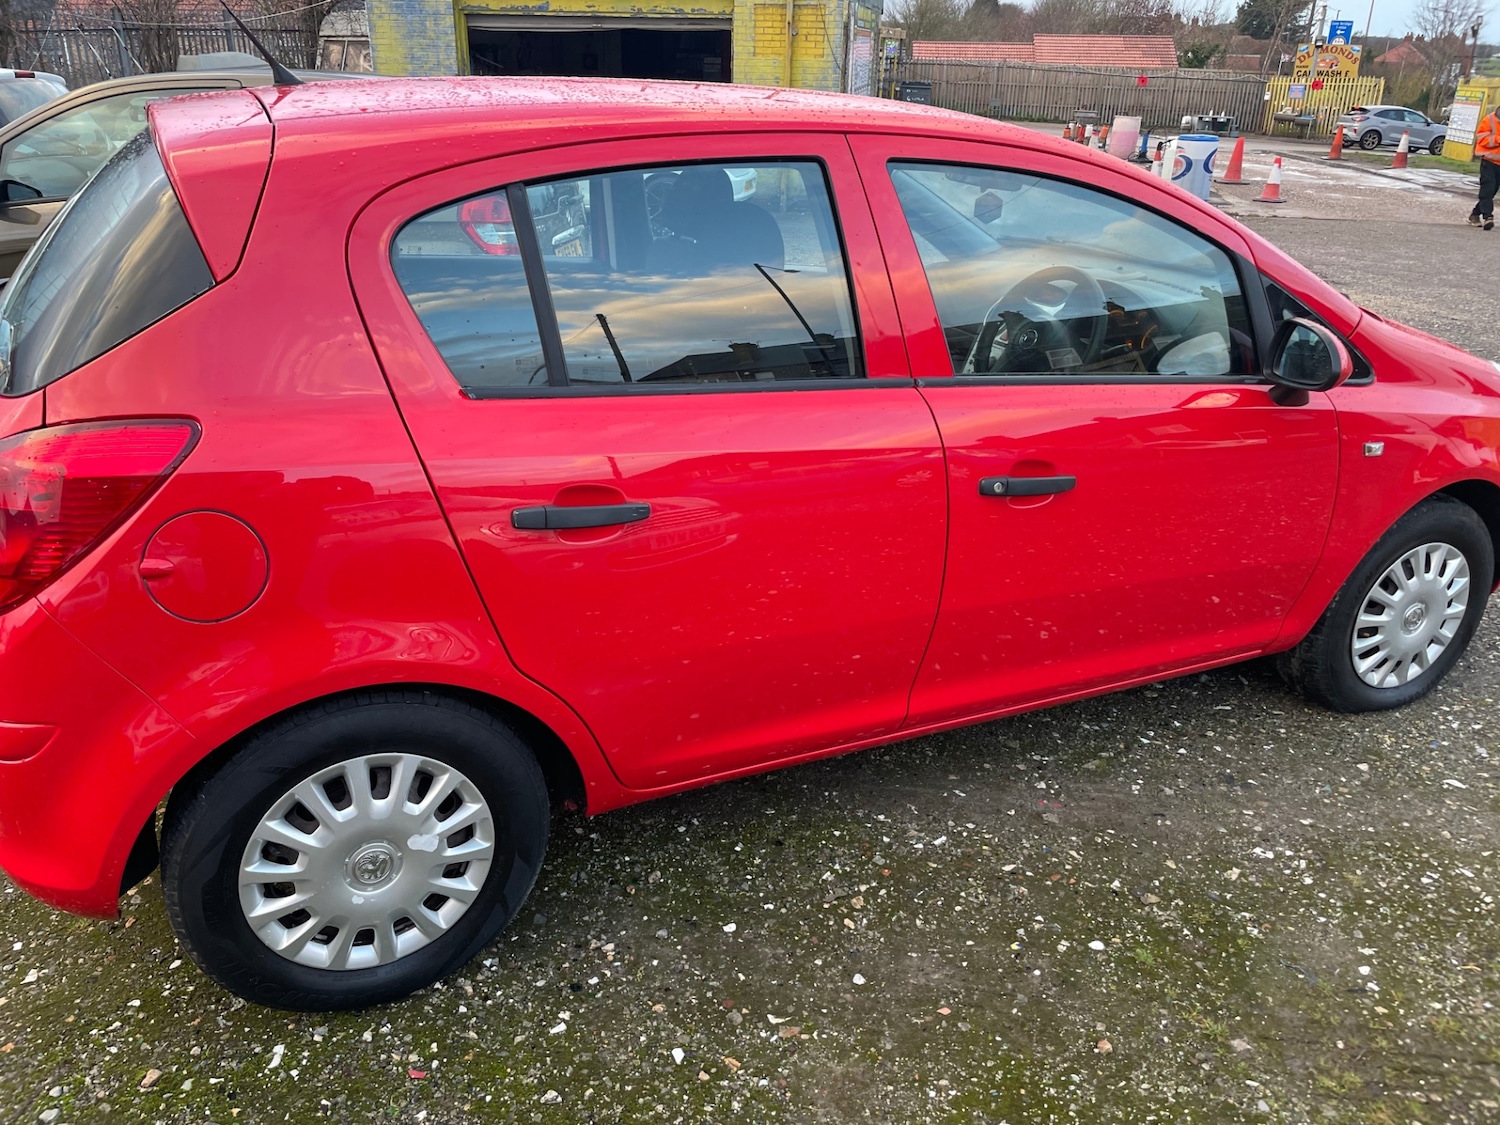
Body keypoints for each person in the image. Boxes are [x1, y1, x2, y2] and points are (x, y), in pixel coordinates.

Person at [1470, 103, 1500, 229]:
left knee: (1491, 192)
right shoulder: (1489, 120)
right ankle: (1488, 217)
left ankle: (1475, 214)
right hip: (1489, 162)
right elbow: (1482, 139)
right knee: (1487, 189)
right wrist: (1498, 139)